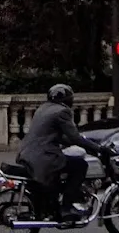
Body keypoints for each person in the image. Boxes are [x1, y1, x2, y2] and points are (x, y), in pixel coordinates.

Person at [16, 84, 103, 217]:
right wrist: (98, 148)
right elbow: (74, 137)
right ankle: (67, 207)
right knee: (80, 165)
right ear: (68, 99)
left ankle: (54, 202)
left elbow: (55, 136)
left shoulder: (43, 108)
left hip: (27, 153)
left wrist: (82, 143)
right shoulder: (62, 111)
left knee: (63, 166)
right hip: (43, 156)